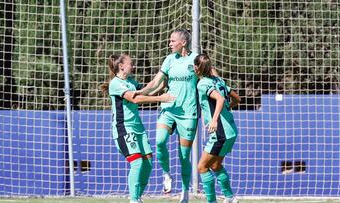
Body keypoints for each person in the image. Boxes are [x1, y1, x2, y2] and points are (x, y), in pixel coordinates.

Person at [133, 28, 198, 203]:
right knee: (160, 141)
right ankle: (167, 174)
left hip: (188, 113)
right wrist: (139, 92)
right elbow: (155, 83)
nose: (169, 44)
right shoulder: (169, 59)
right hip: (168, 109)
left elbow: (210, 77)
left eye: (172, 41)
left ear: (183, 42)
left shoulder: (196, 59)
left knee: (184, 156)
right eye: (169, 41)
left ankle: (185, 193)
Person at [101, 54, 175, 203]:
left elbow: (149, 91)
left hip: (139, 129)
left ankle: (138, 197)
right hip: (124, 129)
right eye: (131, 64)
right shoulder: (115, 84)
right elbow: (135, 98)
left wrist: (165, 80)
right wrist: (161, 98)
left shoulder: (131, 82)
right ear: (121, 66)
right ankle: (134, 200)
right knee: (137, 162)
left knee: (147, 163)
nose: (133, 66)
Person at [193, 54, 240, 203]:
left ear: (196, 68)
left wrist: (214, 120)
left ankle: (211, 201)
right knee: (215, 164)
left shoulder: (202, 84)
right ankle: (229, 197)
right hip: (231, 130)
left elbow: (219, 99)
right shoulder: (219, 81)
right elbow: (237, 99)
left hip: (221, 132)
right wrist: (226, 109)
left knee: (202, 167)